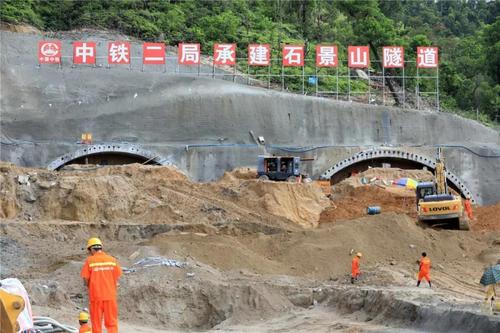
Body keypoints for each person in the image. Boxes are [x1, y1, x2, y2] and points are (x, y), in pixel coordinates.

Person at [81, 238, 122, 333]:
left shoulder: (90, 261)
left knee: (96, 322)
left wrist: (90, 286)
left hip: (96, 297)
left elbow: (85, 278)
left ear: (91, 249)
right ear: (101, 248)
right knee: (112, 323)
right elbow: (117, 277)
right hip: (110, 297)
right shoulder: (112, 260)